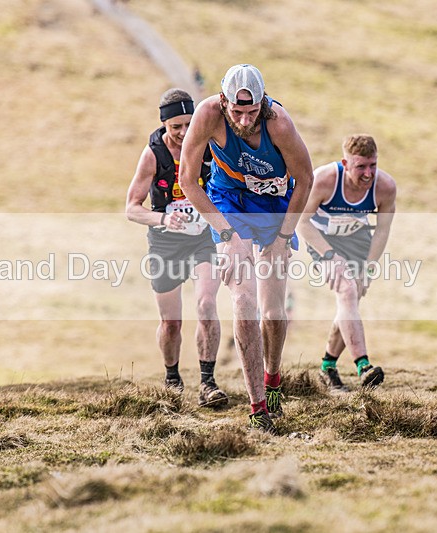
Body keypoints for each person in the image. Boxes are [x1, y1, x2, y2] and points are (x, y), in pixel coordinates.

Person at [179, 64, 313, 432]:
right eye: (236, 111)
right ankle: (257, 409)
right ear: (223, 101)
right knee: (243, 300)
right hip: (229, 204)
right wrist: (226, 235)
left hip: (273, 207)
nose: (243, 119)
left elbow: (306, 180)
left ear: (262, 103)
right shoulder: (207, 114)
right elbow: (187, 181)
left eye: (251, 111)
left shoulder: (278, 123)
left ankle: (272, 381)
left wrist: (284, 238)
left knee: (272, 311)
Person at [125, 88, 228, 408]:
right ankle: (172, 379)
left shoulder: (209, 147)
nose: (184, 133)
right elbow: (131, 208)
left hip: (204, 239)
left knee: (207, 305)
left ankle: (208, 382)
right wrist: (162, 219)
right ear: (164, 126)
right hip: (167, 242)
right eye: (175, 127)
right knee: (171, 322)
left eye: (189, 124)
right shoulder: (153, 154)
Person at [297, 134, 396, 391]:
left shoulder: (384, 187)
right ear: (345, 163)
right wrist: (330, 255)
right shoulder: (325, 179)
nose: (368, 173)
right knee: (347, 290)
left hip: (357, 239)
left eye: (372, 165)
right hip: (322, 240)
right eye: (361, 166)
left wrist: (369, 268)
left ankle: (327, 367)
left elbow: (382, 230)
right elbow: (302, 222)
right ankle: (363, 365)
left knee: (350, 300)